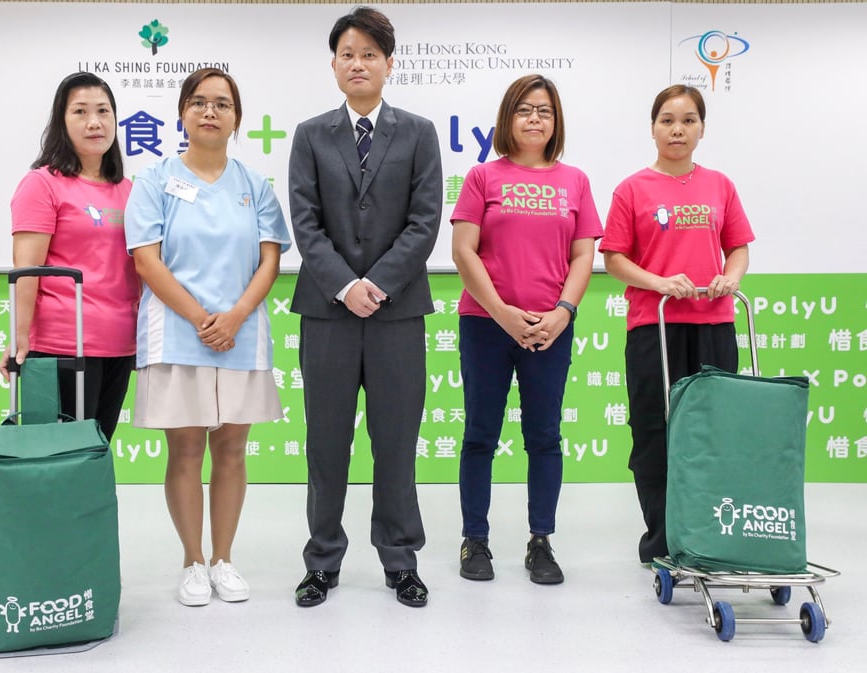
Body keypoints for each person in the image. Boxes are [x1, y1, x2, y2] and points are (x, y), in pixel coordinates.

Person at [288, 6, 443, 609]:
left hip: (397, 313)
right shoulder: (309, 134)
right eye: (347, 54)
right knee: (326, 444)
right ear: (334, 65)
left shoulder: (419, 132)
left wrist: (374, 283)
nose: (358, 63)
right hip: (328, 314)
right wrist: (344, 285)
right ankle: (322, 560)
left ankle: (400, 560)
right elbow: (306, 222)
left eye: (370, 54)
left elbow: (424, 220)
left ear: (389, 64)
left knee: (396, 441)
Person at [124, 68, 291, 607]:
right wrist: (201, 318)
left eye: (222, 103)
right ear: (181, 115)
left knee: (233, 449)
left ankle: (223, 559)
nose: (210, 111)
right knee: (186, 449)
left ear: (237, 118)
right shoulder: (154, 181)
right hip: (176, 335)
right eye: (198, 102)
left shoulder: (254, 186)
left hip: (240, 336)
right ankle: (192, 561)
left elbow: (270, 259)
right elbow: (146, 261)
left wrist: (236, 316)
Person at [451, 75, 603, 586]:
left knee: (544, 436)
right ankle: (476, 539)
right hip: (486, 324)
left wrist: (562, 313)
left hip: (549, 327)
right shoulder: (482, 178)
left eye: (544, 111)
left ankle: (541, 540)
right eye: (524, 110)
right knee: (480, 435)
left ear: (556, 121)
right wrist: (501, 313)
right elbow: (463, 251)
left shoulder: (574, 181)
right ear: (506, 118)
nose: (534, 119)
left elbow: (583, 256)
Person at [599, 84, 754, 564]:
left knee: (714, 431)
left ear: (702, 128)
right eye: (667, 120)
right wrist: (660, 282)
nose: (677, 129)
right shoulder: (632, 189)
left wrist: (730, 277)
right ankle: (662, 539)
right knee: (654, 430)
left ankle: (712, 533)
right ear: (652, 128)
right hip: (655, 326)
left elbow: (739, 247)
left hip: (713, 323)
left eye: (688, 120)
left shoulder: (720, 185)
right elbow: (615, 259)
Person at [0, 71, 138, 442]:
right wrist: (18, 336)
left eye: (103, 111)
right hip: (63, 344)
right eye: (80, 112)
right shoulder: (42, 183)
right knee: (58, 456)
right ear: (61, 122)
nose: (94, 122)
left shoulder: (129, 190)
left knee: (94, 452)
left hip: (120, 345)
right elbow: (27, 269)